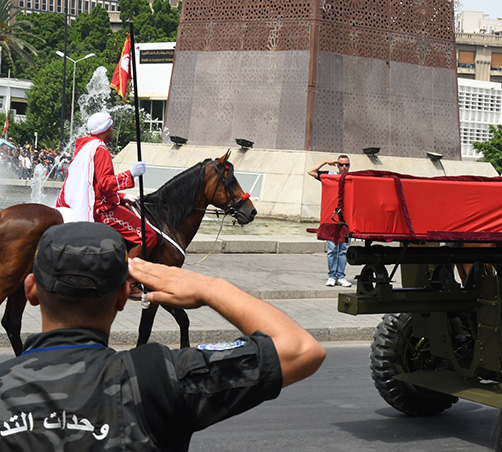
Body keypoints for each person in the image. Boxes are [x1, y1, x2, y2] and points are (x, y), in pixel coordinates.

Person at [0, 222, 326, 450]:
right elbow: (300, 348)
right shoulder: (158, 378)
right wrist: (209, 287)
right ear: (121, 297)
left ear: (31, 291)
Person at [56, 111, 156, 255]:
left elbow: (93, 185)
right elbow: (104, 184)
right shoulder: (101, 149)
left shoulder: (85, 147)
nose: (113, 131)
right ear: (105, 130)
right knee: (148, 236)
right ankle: (126, 276)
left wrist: (121, 196)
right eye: (112, 127)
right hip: (101, 210)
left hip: (86, 203)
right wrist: (131, 173)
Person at [307, 154, 353, 287]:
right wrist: (326, 162)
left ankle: (341, 276)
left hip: (346, 220)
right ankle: (332, 276)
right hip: (331, 219)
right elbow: (311, 172)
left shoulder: (352, 179)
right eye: (341, 164)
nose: (344, 167)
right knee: (332, 249)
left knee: (343, 250)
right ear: (337, 165)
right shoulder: (330, 175)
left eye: (346, 164)